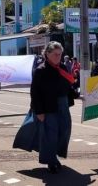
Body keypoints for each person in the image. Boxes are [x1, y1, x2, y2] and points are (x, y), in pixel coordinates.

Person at [30, 41, 74, 173]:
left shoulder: (63, 68)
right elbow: (35, 92)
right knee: (50, 134)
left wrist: (78, 95)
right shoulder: (40, 70)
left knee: (65, 130)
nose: (58, 57)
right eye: (55, 54)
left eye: (60, 54)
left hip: (63, 105)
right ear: (47, 54)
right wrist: (39, 111)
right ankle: (51, 161)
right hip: (48, 106)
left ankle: (55, 155)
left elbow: (68, 87)